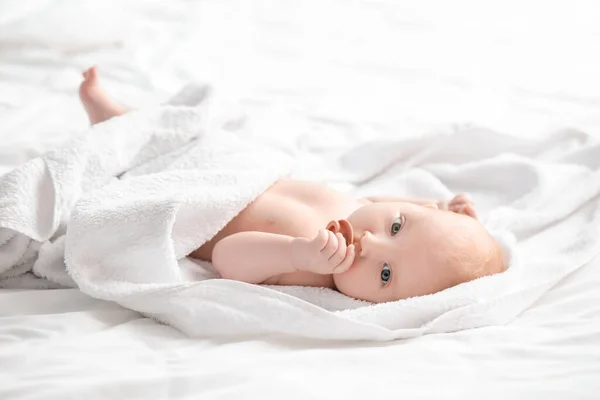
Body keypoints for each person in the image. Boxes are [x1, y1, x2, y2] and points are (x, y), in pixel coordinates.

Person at [79, 66, 505, 303]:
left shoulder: (316, 266)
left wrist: (295, 252)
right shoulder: (362, 207)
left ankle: (108, 123)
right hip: (232, 165)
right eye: (396, 226)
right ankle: (119, 116)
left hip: (197, 194)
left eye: (386, 273)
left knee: (137, 163)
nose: (371, 245)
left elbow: (228, 257)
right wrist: (439, 205)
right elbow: (382, 202)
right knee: (177, 133)